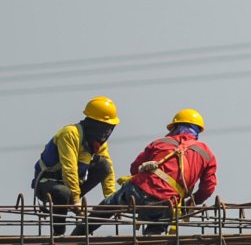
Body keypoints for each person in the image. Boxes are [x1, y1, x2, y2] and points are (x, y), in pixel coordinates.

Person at [73, 109, 217, 236]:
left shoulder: (160, 142)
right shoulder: (207, 153)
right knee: (156, 230)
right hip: (166, 203)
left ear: (174, 127)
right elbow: (208, 188)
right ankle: (149, 239)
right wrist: (192, 202)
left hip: (138, 191)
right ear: (197, 131)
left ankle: (78, 234)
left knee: (107, 206)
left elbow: (135, 168)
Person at [31, 96, 119, 236]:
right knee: (63, 192)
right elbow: (69, 168)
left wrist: (113, 200)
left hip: (73, 185)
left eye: (110, 127)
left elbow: (108, 171)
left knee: (104, 166)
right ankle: (59, 234)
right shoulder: (70, 134)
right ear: (93, 123)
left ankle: (75, 212)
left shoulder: (98, 142)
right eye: (104, 126)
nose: (107, 131)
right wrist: (76, 200)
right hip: (48, 184)